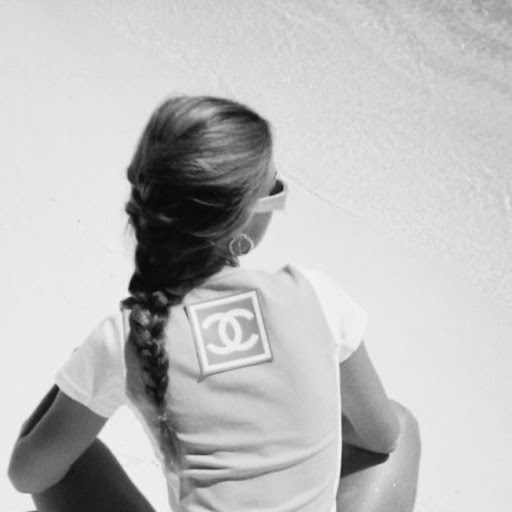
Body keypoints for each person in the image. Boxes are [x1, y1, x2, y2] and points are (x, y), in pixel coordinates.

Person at [8, 95, 421, 512]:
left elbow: (28, 474)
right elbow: (382, 437)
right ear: (243, 217)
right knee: (399, 422)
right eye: (275, 190)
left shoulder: (126, 338)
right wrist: (287, 423)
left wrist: (79, 374)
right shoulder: (317, 297)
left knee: (67, 455)